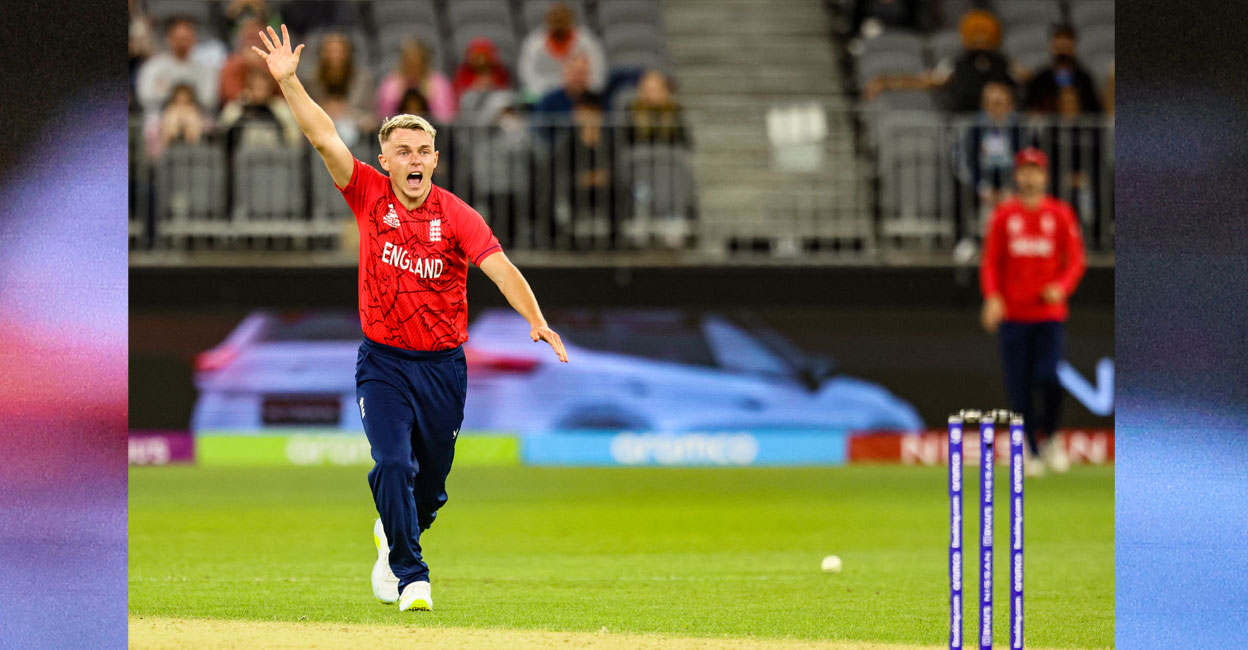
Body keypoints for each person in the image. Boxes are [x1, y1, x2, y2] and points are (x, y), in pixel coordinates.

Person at [252, 24, 568, 612]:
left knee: (431, 488)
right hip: (384, 362)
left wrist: (536, 319)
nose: (414, 160)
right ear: (385, 160)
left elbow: (500, 268)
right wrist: (291, 83)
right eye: (403, 151)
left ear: (435, 159)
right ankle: (410, 575)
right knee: (392, 463)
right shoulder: (368, 194)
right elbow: (324, 138)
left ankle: (392, 530)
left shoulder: (458, 215)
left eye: (423, 151)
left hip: (444, 368)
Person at [979, 147, 1086, 476]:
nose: (1030, 177)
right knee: (1019, 386)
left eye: (1035, 171)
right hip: (1014, 316)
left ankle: (1051, 437)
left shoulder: (1060, 215)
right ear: (1017, 175)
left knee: (1048, 377)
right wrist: (993, 297)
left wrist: (1061, 287)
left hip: (1049, 315)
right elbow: (990, 263)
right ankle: (1030, 449)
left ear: (1045, 176)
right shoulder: (1003, 216)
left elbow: (1077, 261)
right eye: (1024, 171)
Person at [517, 1, 606, 101]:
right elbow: (527, 75)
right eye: (555, 16)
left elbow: (598, 73)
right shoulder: (534, 44)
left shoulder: (586, 41)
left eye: (562, 16)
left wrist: (584, 90)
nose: (559, 19)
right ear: (547, 18)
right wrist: (552, 91)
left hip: (580, 95)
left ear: (570, 17)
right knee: (527, 96)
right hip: (543, 94)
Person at [135, 17, 220, 119]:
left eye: (186, 39)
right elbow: (146, 97)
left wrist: (187, 101)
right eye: (178, 39)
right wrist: (171, 100)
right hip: (161, 117)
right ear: (168, 39)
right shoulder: (152, 66)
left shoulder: (205, 69)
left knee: (191, 117)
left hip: (196, 116)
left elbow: (210, 99)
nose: (182, 43)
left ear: (194, 40)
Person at [1022, 24, 1103, 115]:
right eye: (1060, 47)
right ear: (1052, 46)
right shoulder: (1040, 79)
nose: (1063, 49)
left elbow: (1095, 112)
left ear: (1074, 47)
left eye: (1066, 46)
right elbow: (1029, 109)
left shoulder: (1084, 79)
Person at [377, 39, 457, 123]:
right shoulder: (391, 83)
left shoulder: (439, 82)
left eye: (417, 61)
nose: (413, 65)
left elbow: (446, 117)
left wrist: (430, 99)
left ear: (425, 61)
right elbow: (383, 116)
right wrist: (398, 98)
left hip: (434, 132)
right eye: (409, 61)